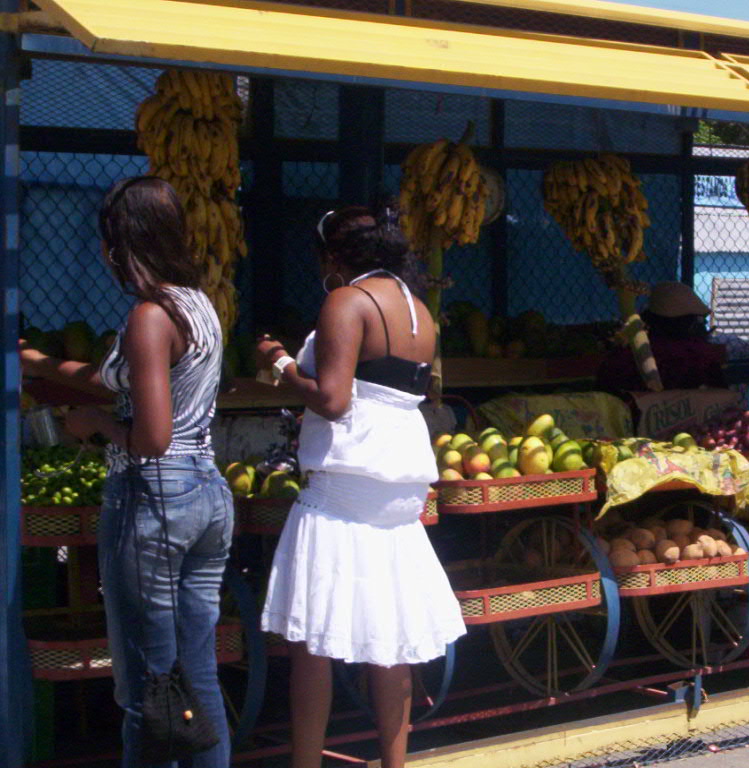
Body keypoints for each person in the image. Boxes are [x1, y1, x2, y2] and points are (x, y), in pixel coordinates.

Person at [19, 176, 232, 767]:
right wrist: (43, 365)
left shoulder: (148, 314)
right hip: (206, 493)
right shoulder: (198, 304)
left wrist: (94, 426)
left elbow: (151, 437)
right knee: (196, 678)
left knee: (146, 690)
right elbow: (133, 382)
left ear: (121, 243)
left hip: (154, 498)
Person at [255, 204, 465, 768]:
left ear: (332, 255)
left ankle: (306, 762)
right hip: (399, 488)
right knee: (389, 636)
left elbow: (333, 399)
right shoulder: (419, 309)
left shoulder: (347, 300)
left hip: (346, 482)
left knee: (311, 642)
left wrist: (278, 363)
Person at [598, 281, 749, 392]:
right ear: (690, 323)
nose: (703, 325)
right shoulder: (721, 348)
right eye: (699, 320)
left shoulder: (632, 351)